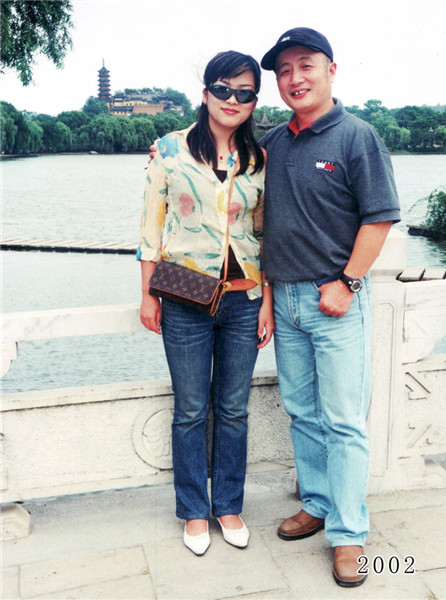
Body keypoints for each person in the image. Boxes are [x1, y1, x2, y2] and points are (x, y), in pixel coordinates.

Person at [259, 28, 401, 587]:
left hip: (334, 300)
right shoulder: (274, 141)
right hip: (286, 300)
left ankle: (349, 533)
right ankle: (316, 504)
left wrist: (347, 281)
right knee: (301, 411)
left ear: (331, 70)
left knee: (343, 421)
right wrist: (168, 148)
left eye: (305, 65)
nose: (294, 78)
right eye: (284, 70)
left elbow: (380, 217)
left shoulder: (356, 136)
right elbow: (227, 170)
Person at [138, 50, 274, 556]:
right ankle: (194, 509)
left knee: (233, 409)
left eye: (244, 92)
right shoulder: (169, 150)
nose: (232, 100)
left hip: (244, 300)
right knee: (191, 409)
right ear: (205, 94)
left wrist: (268, 301)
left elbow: (265, 236)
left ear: (254, 101)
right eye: (223, 89)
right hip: (184, 297)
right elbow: (151, 229)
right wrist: (147, 294)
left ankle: (229, 505)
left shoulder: (260, 159)